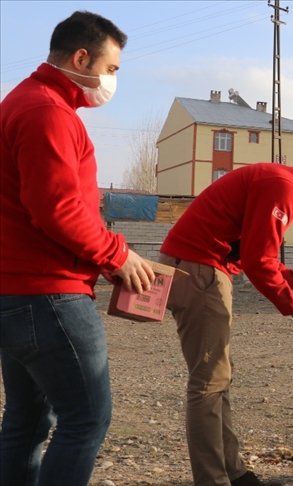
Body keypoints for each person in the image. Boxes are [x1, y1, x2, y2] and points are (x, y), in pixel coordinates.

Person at [0, 11, 156, 486]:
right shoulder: (48, 111)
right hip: (50, 294)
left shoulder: (22, 102)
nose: (111, 81)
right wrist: (117, 255)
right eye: (110, 69)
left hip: (16, 293)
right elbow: (58, 210)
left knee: (26, 422)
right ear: (80, 57)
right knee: (86, 420)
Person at [159, 148, 293, 486]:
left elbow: (254, 249)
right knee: (208, 383)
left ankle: (232, 471)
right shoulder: (282, 188)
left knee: (219, 376)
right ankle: (213, 479)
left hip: (199, 266)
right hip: (201, 270)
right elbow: (257, 261)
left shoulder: (280, 182)